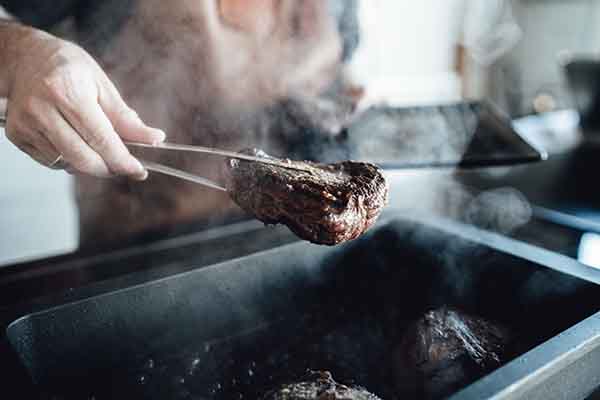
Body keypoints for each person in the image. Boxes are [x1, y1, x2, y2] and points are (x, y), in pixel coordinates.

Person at [0, 1, 355, 246]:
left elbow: (336, 68)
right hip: (141, 255)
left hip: (290, 251)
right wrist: (20, 56)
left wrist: (341, 100)